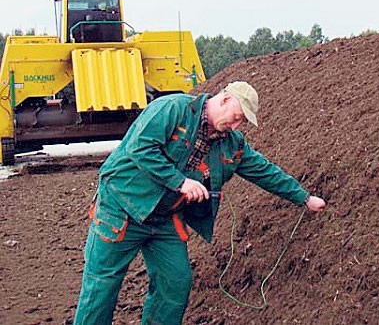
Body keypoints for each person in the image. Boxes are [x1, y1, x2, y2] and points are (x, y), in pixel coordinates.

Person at [73, 81, 326, 325]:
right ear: (225, 99)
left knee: (176, 283)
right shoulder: (172, 109)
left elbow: (264, 171)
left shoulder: (231, 143)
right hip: (122, 208)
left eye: (242, 122)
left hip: (165, 219)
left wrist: (304, 198)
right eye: (237, 117)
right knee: (102, 286)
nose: (237, 125)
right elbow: (140, 148)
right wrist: (180, 182)